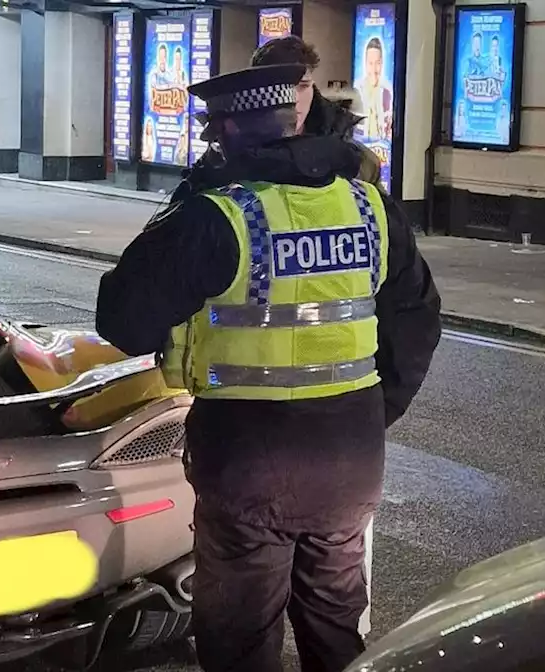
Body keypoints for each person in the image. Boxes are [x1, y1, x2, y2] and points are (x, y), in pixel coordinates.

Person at [95, 63, 441, 672]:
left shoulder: (218, 216)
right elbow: (417, 318)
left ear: (226, 129)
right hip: (350, 453)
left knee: (240, 635)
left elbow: (123, 321)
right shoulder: (369, 206)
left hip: (250, 460)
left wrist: (182, 207)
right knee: (336, 625)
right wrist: (373, 410)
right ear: (291, 119)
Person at [172, 36, 381, 204]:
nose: (294, 99)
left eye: (303, 86)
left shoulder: (359, 161)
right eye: (283, 90)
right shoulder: (221, 162)